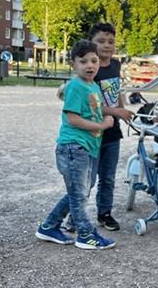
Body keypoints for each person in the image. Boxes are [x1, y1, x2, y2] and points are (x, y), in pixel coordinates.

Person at [36, 40, 116, 250]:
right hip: (74, 147)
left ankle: (49, 226)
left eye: (94, 61)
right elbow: (73, 118)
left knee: (80, 191)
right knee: (79, 194)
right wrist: (101, 125)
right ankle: (85, 234)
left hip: (88, 147)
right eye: (83, 61)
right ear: (74, 64)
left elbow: (97, 110)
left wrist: (111, 118)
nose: (90, 65)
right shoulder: (76, 86)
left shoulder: (93, 85)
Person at [88, 22, 133, 231]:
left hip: (113, 133)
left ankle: (104, 213)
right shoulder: (90, 69)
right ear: (91, 43)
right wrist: (117, 112)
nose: (107, 45)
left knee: (108, 178)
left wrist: (124, 112)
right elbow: (91, 106)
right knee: (86, 180)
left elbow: (116, 92)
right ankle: (73, 215)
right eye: (101, 41)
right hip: (93, 132)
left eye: (111, 42)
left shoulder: (115, 65)